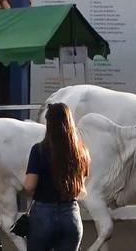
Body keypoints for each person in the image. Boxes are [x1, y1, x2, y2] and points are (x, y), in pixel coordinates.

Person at [24, 103, 89, 251]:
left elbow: (29, 185)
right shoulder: (81, 152)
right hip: (71, 214)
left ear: (48, 123)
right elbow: (81, 183)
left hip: (43, 213)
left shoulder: (39, 150)